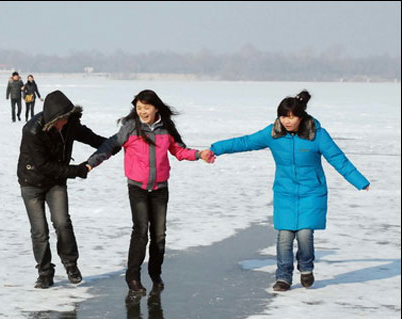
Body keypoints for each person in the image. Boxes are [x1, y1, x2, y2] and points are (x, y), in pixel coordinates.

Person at [205, 90, 370, 291]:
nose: (287, 122)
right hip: (285, 192)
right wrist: (215, 148)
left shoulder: (316, 135)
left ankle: (306, 268)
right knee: (285, 237)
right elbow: (245, 142)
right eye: (284, 117)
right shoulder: (273, 133)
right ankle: (283, 277)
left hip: (312, 192)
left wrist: (359, 181)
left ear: (301, 117)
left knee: (304, 234)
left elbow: (338, 158)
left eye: (292, 117)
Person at [86, 89, 214, 295]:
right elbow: (110, 146)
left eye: (146, 108)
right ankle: (133, 276)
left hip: (160, 189)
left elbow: (180, 151)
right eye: (139, 108)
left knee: (159, 235)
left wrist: (200, 154)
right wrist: (90, 164)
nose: (142, 111)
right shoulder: (130, 128)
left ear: (156, 108)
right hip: (137, 187)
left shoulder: (166, 129)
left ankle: (155, 272)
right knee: (140, 232)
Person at [17, 90, 112, 289]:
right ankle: (45, 273)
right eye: (61, 120)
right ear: (52, 120)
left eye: (67, 119)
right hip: (31, 182)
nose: (65, 123)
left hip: (56, 182)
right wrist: (77, 170)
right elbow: (43, 166)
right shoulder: (32, 131)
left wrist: (117, 144)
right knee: (39, 231)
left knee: (62, 223)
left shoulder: (70, 125)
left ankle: (71, 265)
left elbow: (93, 138)